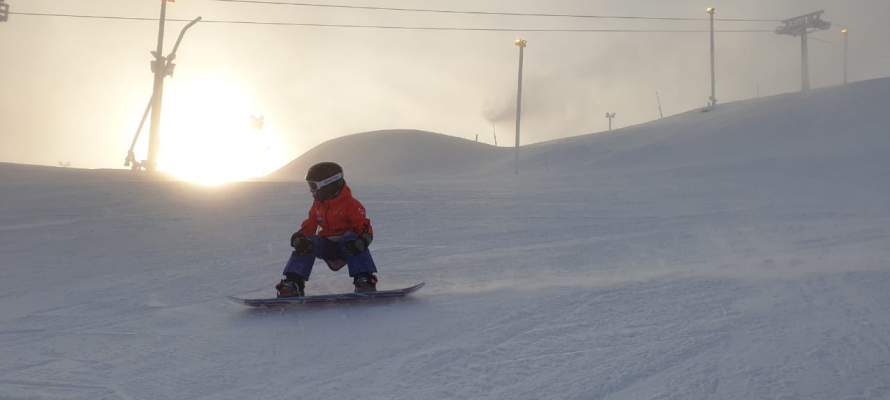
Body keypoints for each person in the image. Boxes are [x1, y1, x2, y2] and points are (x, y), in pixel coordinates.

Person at [276, 162, 378, 297]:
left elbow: (363, 226)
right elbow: (310, 225)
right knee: (308, 242)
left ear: (329, 184)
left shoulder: (351, 204)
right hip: (327, 246)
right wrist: (299, 237)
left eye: (313, 186)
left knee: (350, 237)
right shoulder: (318, 205)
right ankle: (294, 281)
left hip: (348, 247)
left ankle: (364, 278)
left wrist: (362, 241)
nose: (311, 191)